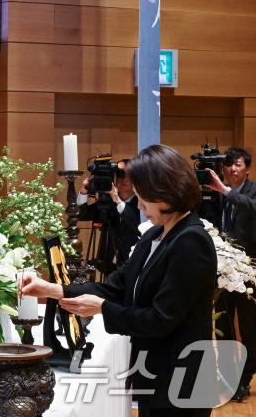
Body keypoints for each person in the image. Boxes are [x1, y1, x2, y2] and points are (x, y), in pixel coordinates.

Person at [22, 145, 217, 416]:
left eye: (143, 194)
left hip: (183, 381)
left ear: (164, 191)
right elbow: (115, 286)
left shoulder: (191, 240)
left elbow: (160, 319)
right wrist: (52, 289)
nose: (140, 202)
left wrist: (102, 308)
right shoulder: (155, 234)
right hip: (157, 375)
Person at [205, 146, 256, 401]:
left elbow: (252, 207)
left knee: (249, 328)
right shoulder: (218, 193)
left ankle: (245, 379)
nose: (232, 169)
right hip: (223, 273)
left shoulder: (252, 191)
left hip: (249, 273)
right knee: (223, 326)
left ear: (247, 169)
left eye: (238, 164)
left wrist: (225, 192)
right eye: (229, 165)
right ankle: (227, 378)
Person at [78, 159, 141, 267]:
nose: (124, 179)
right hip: (108, 262)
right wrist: (84, 191)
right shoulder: (108, 202)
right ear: (114, 180)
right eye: (120, 175)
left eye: (129, 176)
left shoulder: (142, 203)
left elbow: (135, 222)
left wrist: (117, 199)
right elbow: (82, 215)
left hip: (134, 262)